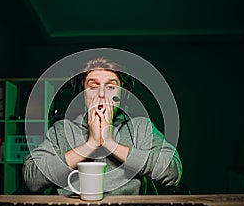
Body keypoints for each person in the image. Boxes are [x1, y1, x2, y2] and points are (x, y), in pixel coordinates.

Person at [23, 57, 182, 195]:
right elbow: (32, 180)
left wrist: (110, 143)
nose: (101, 94)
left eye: (111, 86)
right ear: (82, 94)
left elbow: (172, 172)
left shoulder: (141, 127)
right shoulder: (61, 130)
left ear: (122, 95)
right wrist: (91, 143)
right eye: (92, 86)